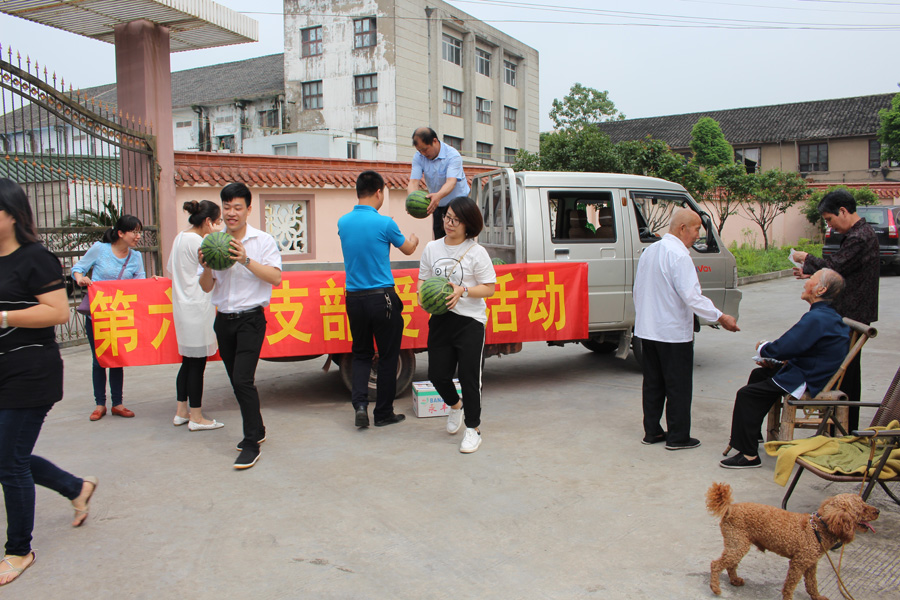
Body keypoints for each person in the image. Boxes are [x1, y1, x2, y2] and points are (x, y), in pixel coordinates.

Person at [0, 178, 98, 587]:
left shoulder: (35, 257)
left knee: (8, 459)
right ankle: (75, 486)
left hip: (31, 372)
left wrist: (3, 318)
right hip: (2, 370)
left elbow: (58, 312)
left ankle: (19, 550)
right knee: (9, 455)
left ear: (11, 213)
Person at [633, 208, 740, 450]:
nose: (697, 237)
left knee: (653, 384)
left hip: (648, 331)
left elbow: (638, 291)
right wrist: (720, 316)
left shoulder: (650, 251)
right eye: (696, 230)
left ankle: (652, 432)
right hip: (672, 333)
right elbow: (693, 297)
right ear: (683, 229)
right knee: (678, 386)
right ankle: (678, 437)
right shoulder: (679, 256)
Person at [721, 269, 849, 469]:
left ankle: (749, 455)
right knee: (759, 374)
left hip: (807, 377)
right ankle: (752, 434)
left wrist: (764, 348)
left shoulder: (818, 318)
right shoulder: (823, 315)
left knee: (747, 394)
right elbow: (800, 346)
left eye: (811, 280)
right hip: (806, 368)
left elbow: (786, 347)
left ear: (821, 289)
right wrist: (775, 360)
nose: (805, 282)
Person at [199, 182, 281, 470]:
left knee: (243, 379)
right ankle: (257, 429)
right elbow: (206, 286)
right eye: (227, 207)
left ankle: (250, 442)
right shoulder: (212, 242)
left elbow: (275, 277)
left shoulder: (263, 241)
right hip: (224, 320)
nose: (232, 213)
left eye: (237, 207)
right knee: (236, 381)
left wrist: (245, 259)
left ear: (248, 209)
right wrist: (208, 265)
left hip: (251, 319)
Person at [791, 189, 879, 432]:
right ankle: (839, 427)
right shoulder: (858, 234)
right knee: (843, 372)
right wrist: (811, 274)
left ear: (843, 211)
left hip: (853, 314)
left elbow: (835, 267)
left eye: (829, 219)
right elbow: (843, 271)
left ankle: (843, 428)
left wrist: (807, 257)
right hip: (850, 312)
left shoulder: (859, 237)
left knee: (845, 374)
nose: (829, 226)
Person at [338, 171, 419, 428]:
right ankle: (383, 413)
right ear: (379, 192)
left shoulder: (343, 222)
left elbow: (364, 240)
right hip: (382, 298)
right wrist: (413, 238)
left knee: (361, 354)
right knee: (387, 355)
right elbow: (407, 248)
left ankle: (360, 406)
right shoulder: (386, 224)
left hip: (354, 299)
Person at [418, 196, 497, 453]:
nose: (449, 223)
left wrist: (462, 291)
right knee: (437, 375)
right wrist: (422, 298)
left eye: (455, 220)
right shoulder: (432, 249)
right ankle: (455, 406)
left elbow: (490, 289)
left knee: (469, 377)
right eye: (447, 217)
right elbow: (423, 281)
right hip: (441, 319)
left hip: (470, 321)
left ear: (468, 225)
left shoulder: (476, 252)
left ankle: (473, 429)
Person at [72, 214, 146, 421]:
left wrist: (153, 282)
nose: (138, 236)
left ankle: (118, 403)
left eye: (140, 232)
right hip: (97, 315)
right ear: (121, 233)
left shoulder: (136, 257)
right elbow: (78, 268)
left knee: (117, 359)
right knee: (99, 359)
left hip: (120, 315)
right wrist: (81, 278)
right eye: (135, 231)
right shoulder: (100, 249)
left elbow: (140, 284)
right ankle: (99, 404)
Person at [168, 200, 223, 431]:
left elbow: (172, 269)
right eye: (218, 222)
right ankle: (197, 417)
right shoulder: (201, 243)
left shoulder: (180, 237)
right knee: (197, 365)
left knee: (187, 362)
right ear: (208, 222)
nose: (219, 227)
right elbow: (209, 276)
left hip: (182, 307)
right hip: (198, 307)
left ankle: (182, 411)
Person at [407, 127, 471, 240]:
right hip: (438, 205)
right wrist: (411, 200)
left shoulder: (452, 155)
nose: (423, 153)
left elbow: (451, 182)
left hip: (459, 205)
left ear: (434, 141)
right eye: (419, 150)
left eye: (425, 149)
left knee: (459, 242)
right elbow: (413, 182)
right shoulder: (419, 157)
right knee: (440, 241)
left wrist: (438, 196)